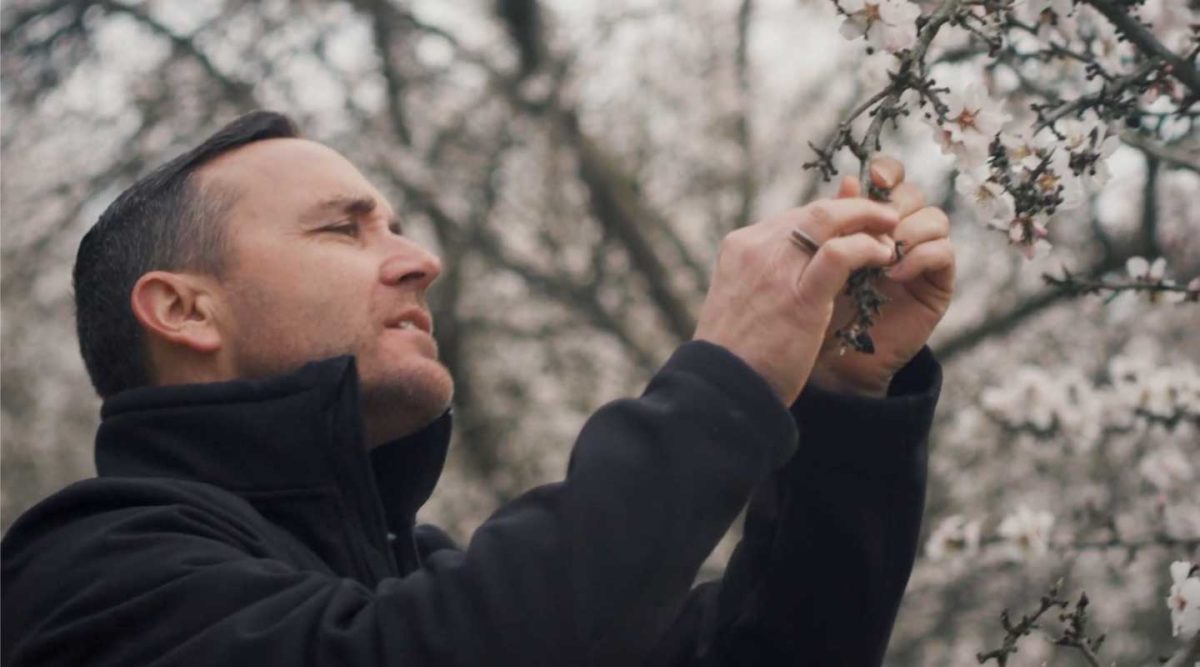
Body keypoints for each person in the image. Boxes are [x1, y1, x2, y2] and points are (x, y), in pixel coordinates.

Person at [1, 111, 954, 666]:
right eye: (345, 230)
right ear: (185, 309)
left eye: (399, 226)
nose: (421, 260)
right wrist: (728, 373)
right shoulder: (86, 576)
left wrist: (843, 396)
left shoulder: (410, 572)